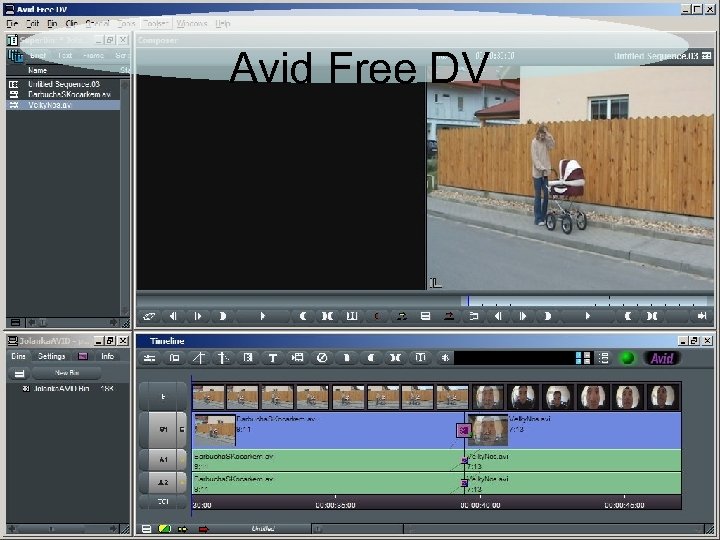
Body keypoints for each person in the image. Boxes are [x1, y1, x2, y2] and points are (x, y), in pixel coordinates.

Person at [531, 124, 555, 226]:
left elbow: (552, 146)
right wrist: (541, 167)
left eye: (544, 133)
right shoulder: (534, 143)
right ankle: (538, 219)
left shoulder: (546, 142)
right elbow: (535, 158)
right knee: (538, 195)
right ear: (538, 133)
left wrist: (549, 135)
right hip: (537, 174)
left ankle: (544, 216)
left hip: (545, 174)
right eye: (541, 133)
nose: (542, 135)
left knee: (546, 194)